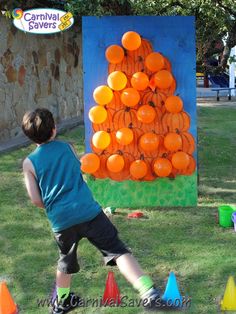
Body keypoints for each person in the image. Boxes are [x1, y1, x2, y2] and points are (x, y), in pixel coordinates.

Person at [21, 108, 173, 314]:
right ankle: (149, 294)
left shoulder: (29, 163)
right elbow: (78, 171)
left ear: (29, 136)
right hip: (88, 211)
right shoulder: (67, 148)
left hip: (61, 220)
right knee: (118, 251)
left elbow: (36, 200)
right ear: (54, 130)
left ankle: (62, 302)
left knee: (65, 260)